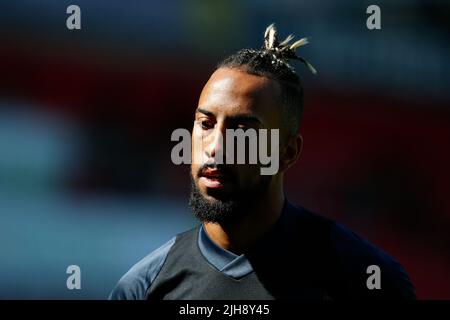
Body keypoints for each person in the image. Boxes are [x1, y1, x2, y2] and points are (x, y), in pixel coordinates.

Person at [109, 24, 416, 300]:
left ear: (287, 153)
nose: (216, 147)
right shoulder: (143, 288)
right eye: (205, 124)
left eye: (243, 130)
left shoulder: (365, 278)